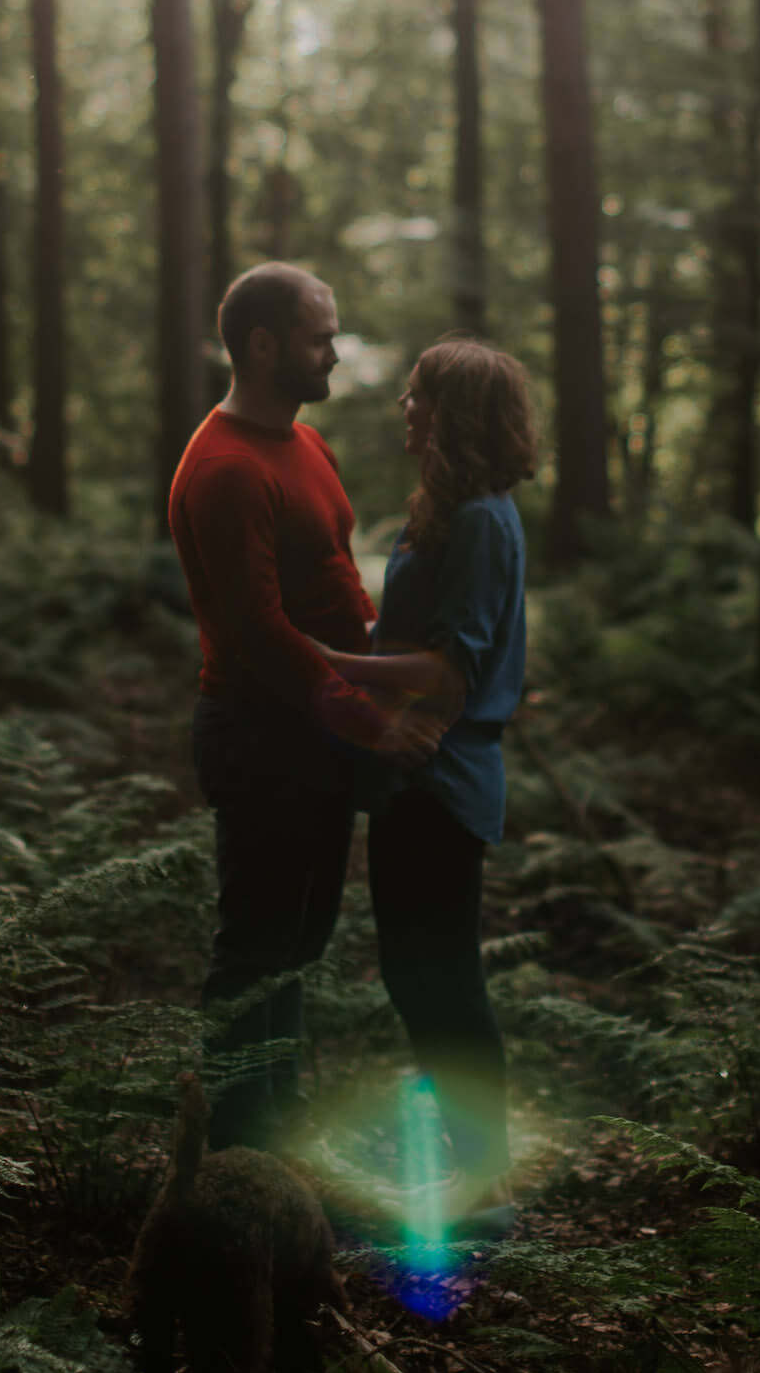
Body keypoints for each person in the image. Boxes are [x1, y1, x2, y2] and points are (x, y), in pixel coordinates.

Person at [168, 266, 445, 1152]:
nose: (334, 349)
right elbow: (260, 636)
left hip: (318, 738)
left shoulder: (306, 444)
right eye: (319, 336)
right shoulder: (224, 469)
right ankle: (236, 1152)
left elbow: (329, 592)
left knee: (299, 945)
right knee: (256, 951)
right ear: (263, 345)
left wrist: (388, 676)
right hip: (262, 740)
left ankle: (272, 1134)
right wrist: (378, 724)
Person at [315, 336, 538, 1224]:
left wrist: (321, 660)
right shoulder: (453, 510)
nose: (406, 407)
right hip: (417, 778)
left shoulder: (482, 518)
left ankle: (487, 1182)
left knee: (442, 981)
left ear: (459, 415)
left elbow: (448, 672)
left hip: (443, 780)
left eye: (422, 396)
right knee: (420, 977)